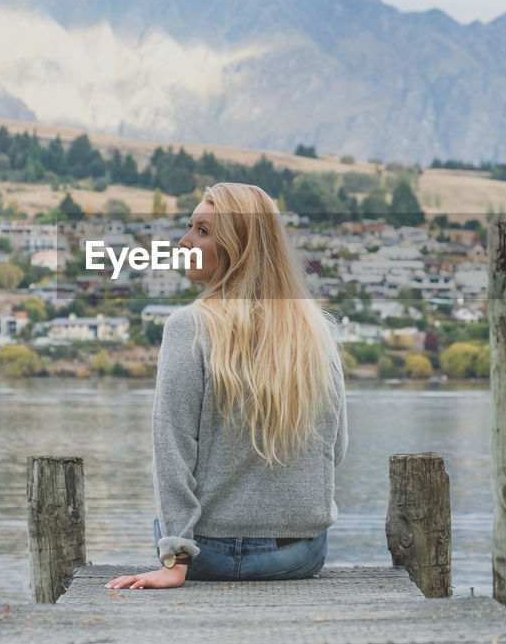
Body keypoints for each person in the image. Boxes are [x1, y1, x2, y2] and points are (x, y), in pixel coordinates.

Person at [106, 182, 348, 590]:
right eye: (190, 228)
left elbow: (173, 449)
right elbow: (335, 449)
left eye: (202, 230)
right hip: (299, 556)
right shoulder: (317, 331)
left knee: (164, 519)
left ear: (239, 245)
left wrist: (175, 559)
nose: (184, 242)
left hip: (207, 556)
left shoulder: (188, 327)